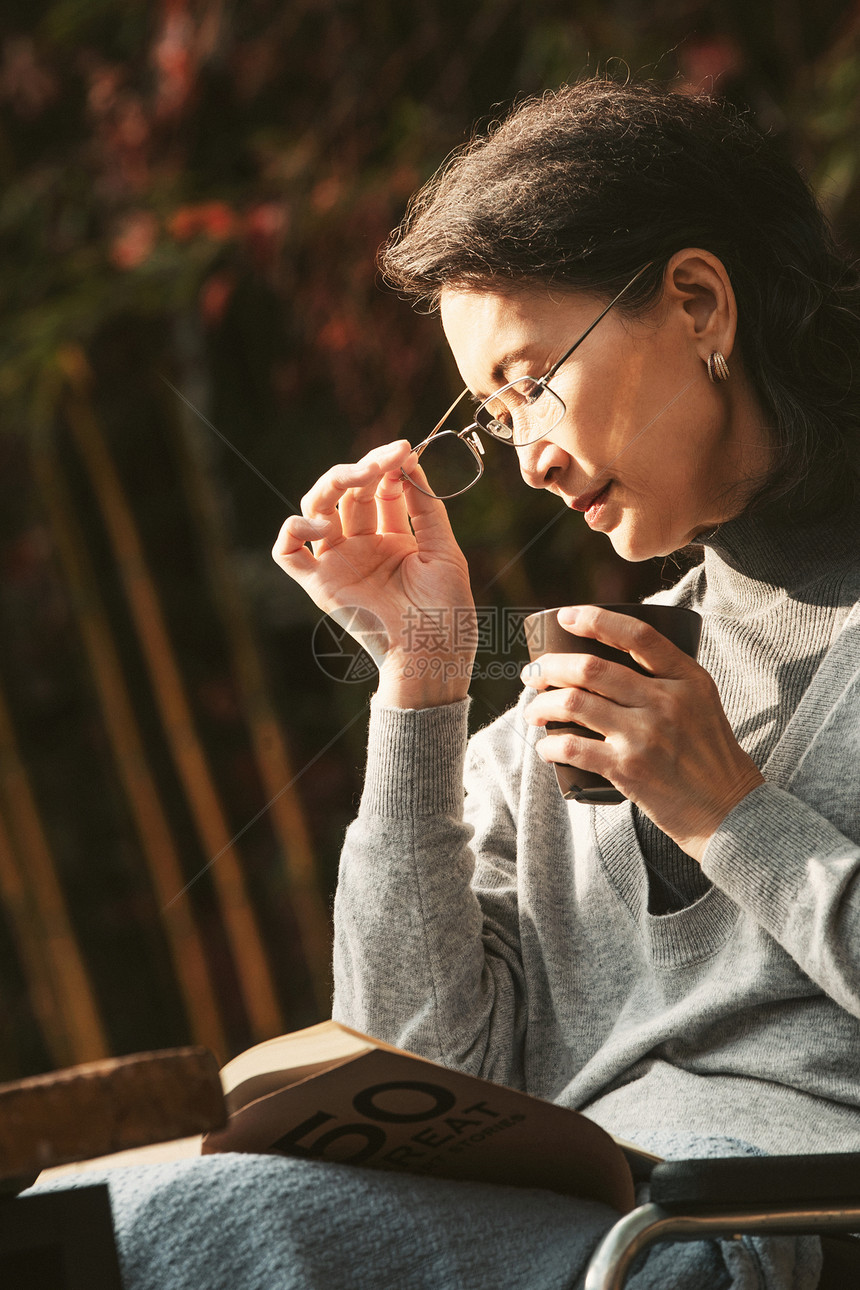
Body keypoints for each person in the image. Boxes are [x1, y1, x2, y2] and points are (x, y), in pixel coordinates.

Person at [34, 78, 858, 1289]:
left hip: (753, 1228)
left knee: (185, 1233)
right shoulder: (576, 701)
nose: (524, 455)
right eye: (492, 412)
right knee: (82, 1210)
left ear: (695, 302)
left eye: (532, 381)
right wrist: (417, 686)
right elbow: (427, 1071)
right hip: (578, 1224)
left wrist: (734, 819)